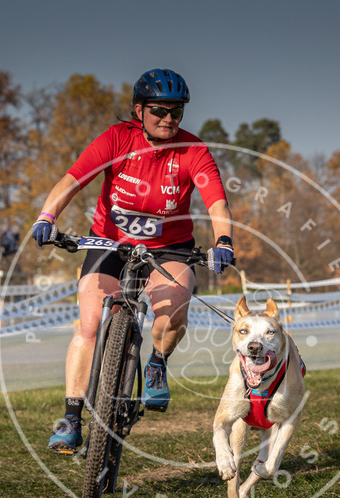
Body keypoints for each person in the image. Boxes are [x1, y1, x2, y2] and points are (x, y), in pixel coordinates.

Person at [32, 68, 235, 453]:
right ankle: (71, 418)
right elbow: (73, 179)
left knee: (173, 312)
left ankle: (157, 362)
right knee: (89, 325)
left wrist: (223, 240)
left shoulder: (193, 151)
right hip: (109, 242)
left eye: (177, 111)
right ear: (139, 110)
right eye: (159, 110)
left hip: (170, 248)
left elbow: (217, 202)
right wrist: (46, 216)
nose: (168, 119)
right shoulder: (116, 139)